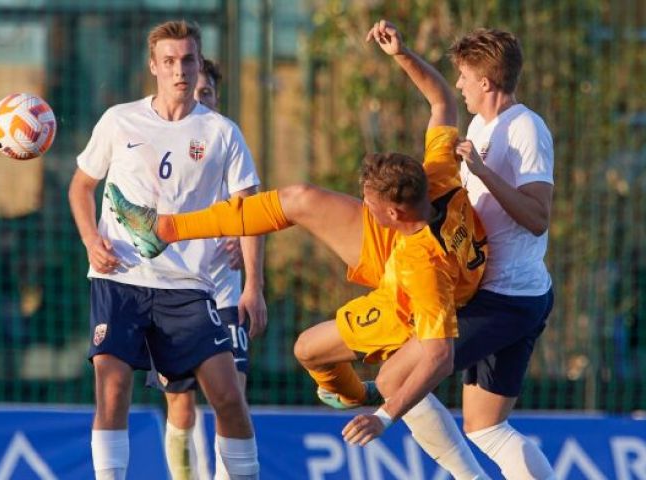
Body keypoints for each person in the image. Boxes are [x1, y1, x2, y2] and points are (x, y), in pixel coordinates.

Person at [109, 19, 492, 480]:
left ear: (390, 210)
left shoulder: (421, 271)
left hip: (408, 286)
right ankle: (167, 229)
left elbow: (439, 357)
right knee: (299, 198)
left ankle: (439, 452)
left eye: (368, 202)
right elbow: (442, 101)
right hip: (408, 239)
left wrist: (384, 415)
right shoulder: (441, 176)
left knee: (313, 351)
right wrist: (401, 54)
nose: (360, 206)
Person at [67, 20, 265, 480]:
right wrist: (91, 241)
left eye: (188, 60)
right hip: (121, 279)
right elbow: (81, 186)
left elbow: (251, 209)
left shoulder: (221, 132)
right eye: (170, 61)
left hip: (189, 288)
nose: (180, 70)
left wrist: (254, 283)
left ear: (199, 64)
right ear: (153, 66)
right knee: (113, 388)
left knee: (228, 397)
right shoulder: (120, 120)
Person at [446, 28, 556, 479]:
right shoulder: (479, 125)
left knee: (409, 374)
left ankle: (382, 402)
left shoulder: (527, 127)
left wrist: (482, 171)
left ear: (486, 82)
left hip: (509, 298)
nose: (459, 86)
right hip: (491, 291)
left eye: (465, 77)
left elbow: (537, 216)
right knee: (485, 428)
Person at [144, 58, 256, 480]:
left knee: (232, 398)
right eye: (191, 92)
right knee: (181, 403)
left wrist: (249, 269)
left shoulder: (226, 142)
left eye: (206, 93)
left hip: (223, 294)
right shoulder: (159, 150)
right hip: (172, 293)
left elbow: (255, 213)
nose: (196, 99)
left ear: (216, 98)